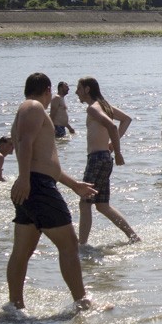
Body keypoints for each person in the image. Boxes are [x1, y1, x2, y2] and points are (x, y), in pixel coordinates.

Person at [8, 72, 96, 310]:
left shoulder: (28, 109)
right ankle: (82, 302)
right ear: (48, 90)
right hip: (37, 186)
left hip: (32, 185)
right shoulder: (33, 106)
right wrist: (24, 178)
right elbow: (25, 143)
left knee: (22, 251)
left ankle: (15, 307)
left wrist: (74, 185)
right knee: (69, 244)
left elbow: (46, 162)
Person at [75, 77, 138, 245]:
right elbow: (126, 119)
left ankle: (82, 245)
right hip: (103, 157)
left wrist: (117, 151)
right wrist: (111, 147)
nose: (76, 92)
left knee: (85, 202)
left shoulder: (93, 108)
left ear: (87, 89)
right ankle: (133, 236)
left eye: (79, 88)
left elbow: (112, 126)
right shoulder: (104, 106)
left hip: (96, 159)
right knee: (102, 205)